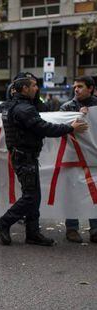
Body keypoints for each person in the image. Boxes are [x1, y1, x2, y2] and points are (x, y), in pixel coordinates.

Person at [0, 72, 89, 247]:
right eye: (34, 85)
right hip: (25, 157)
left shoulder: (10, 106)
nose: (37, 88)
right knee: (31, 197)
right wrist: (70, 127)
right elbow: (44, 128)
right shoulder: (24, 109)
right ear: (24, 88)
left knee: (34, 196)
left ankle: (32, 233)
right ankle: (4, 222)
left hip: (23, 156)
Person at [60, 76, 97, 243]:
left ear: (90, 88)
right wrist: (79, 117)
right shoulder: (67, 107)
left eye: (80, 86)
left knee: (94, 194)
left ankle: (95, 229)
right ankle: (72, 228)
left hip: (93, 157)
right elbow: (61, 130)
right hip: (73, 156)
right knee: (72, 192)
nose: (76, 89)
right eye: (75, 86)